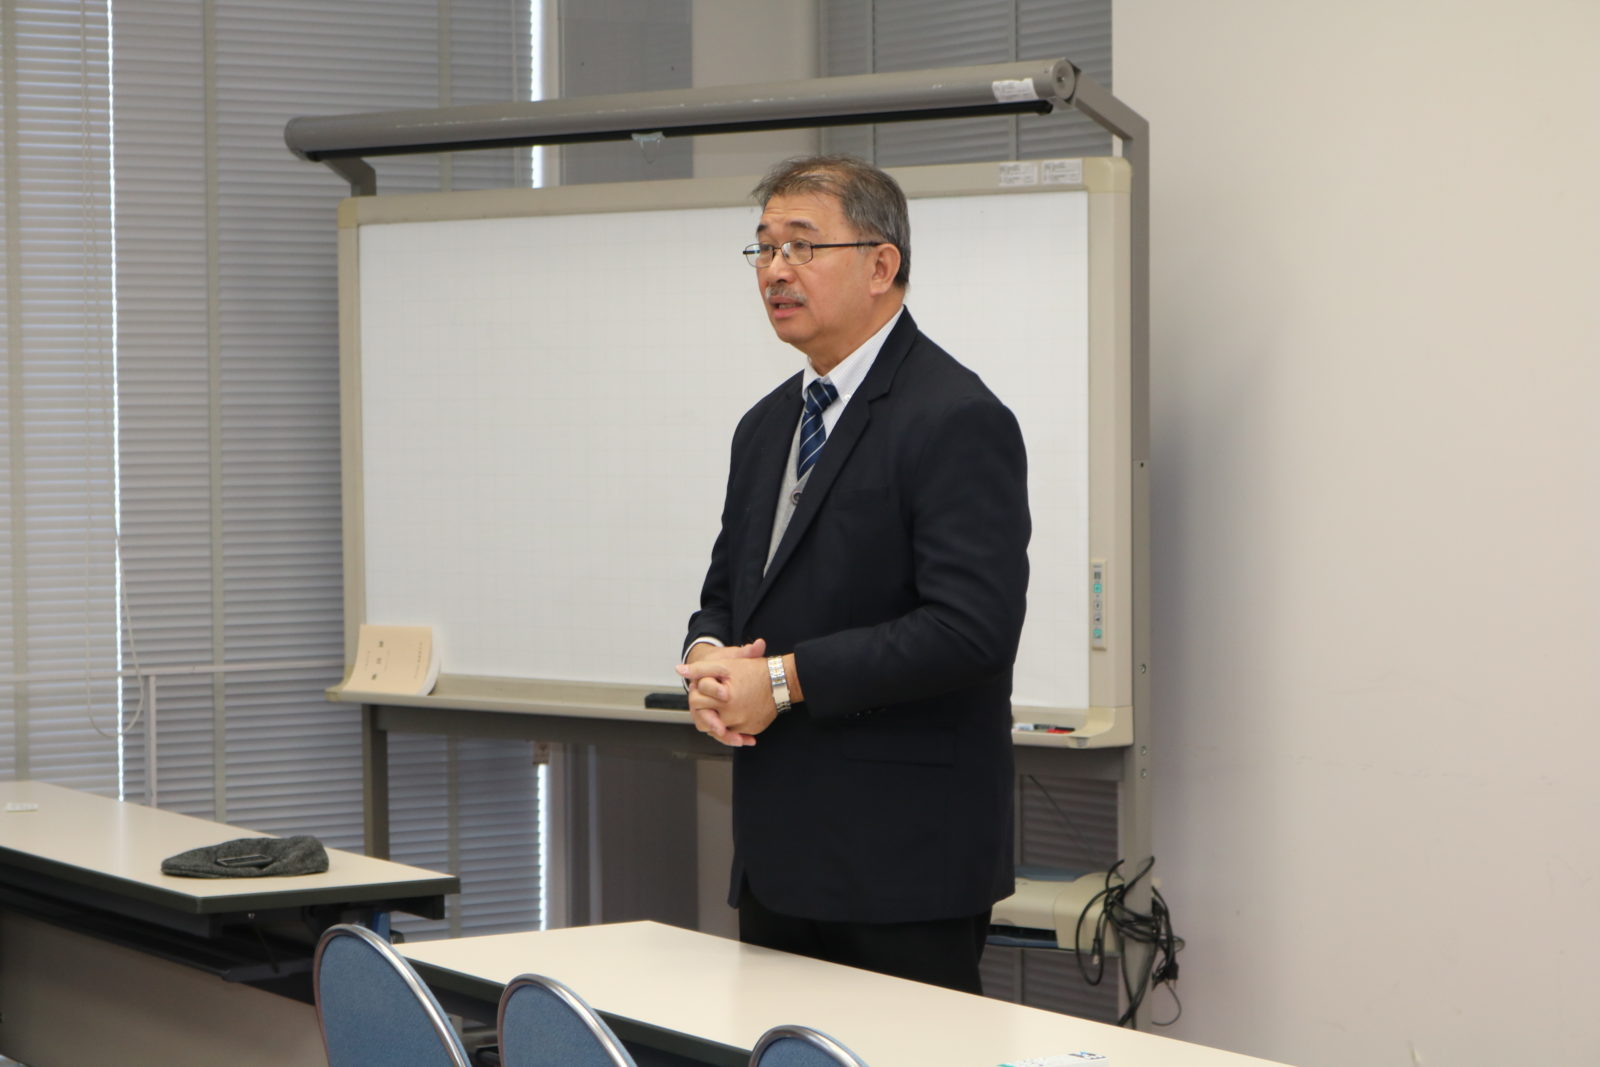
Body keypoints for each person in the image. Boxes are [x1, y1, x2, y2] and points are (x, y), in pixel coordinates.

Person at [676, 155, 1030, 995]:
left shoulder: (956, 417)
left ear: (882, 264)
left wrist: (784, 680)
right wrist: (709, 657)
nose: (775, 271)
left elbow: (969, 629)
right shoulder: (766, 426)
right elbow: (727, 588)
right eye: (762, 249)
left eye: (801, 245)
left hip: (901, 869)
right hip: (778, 858)